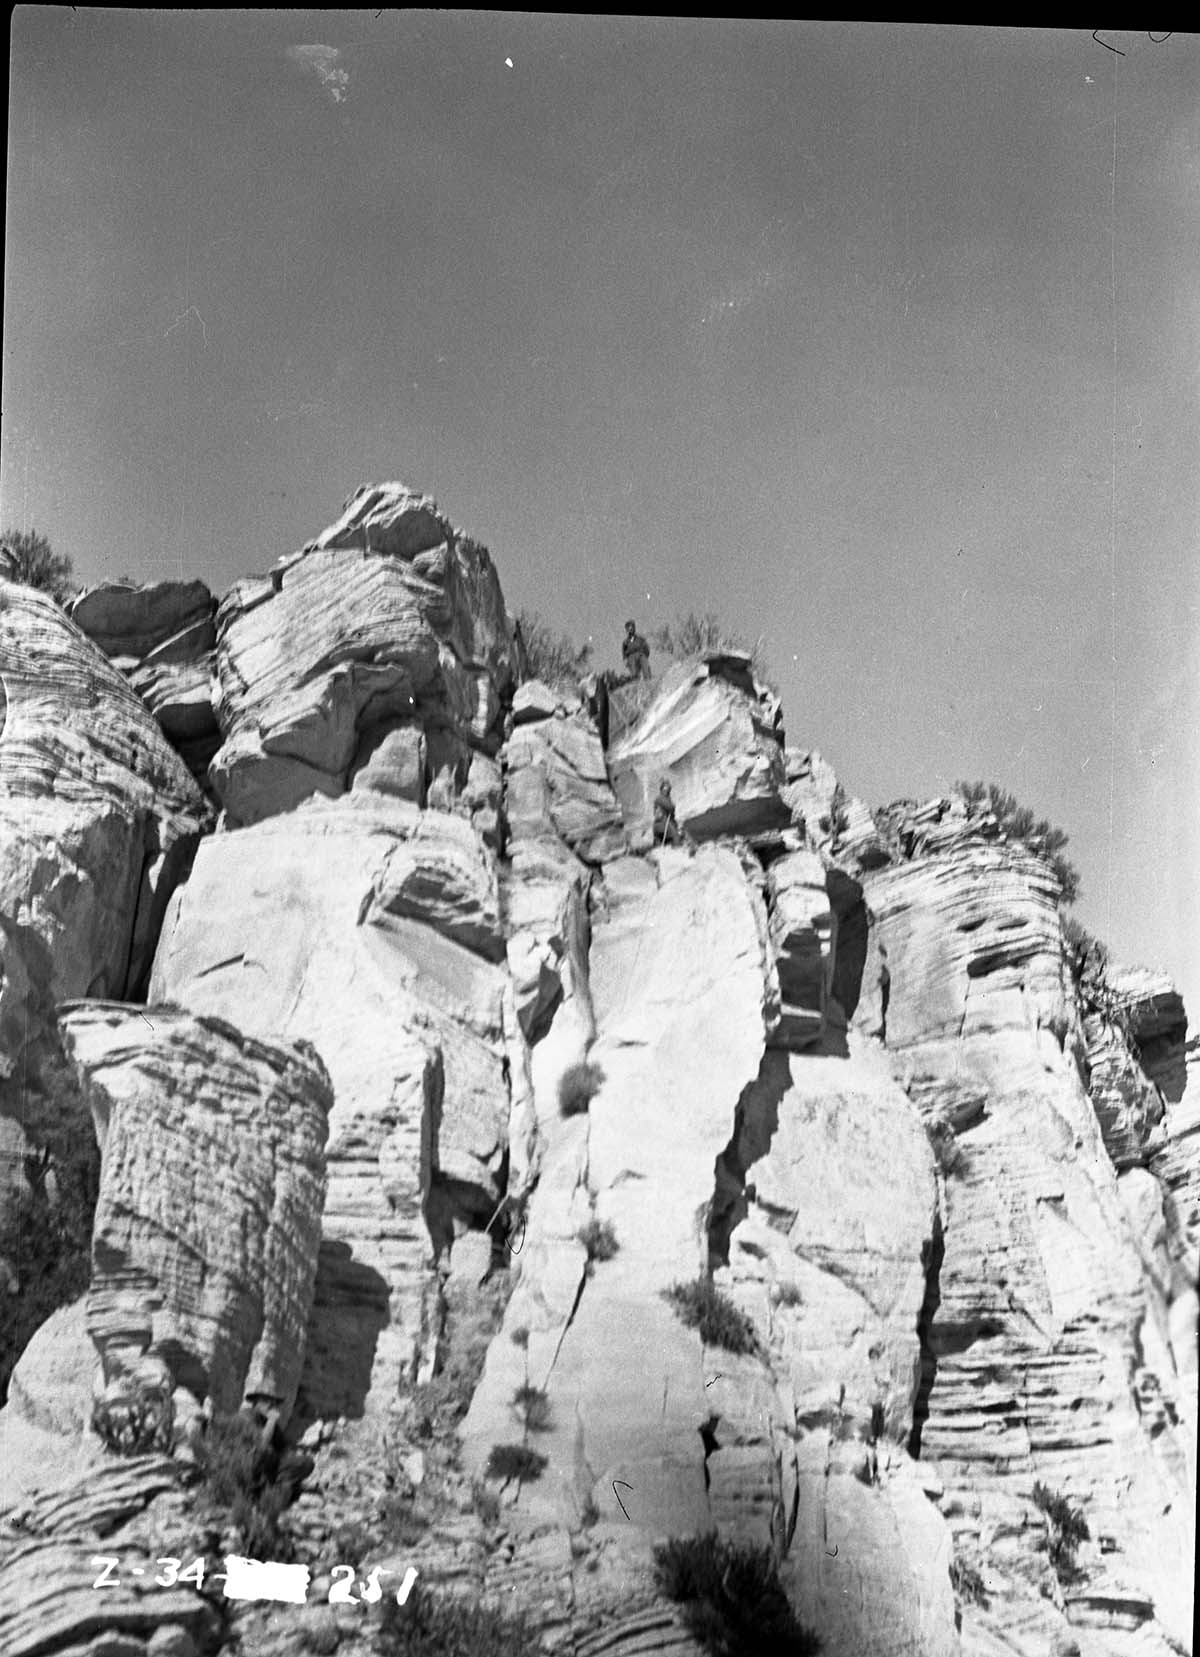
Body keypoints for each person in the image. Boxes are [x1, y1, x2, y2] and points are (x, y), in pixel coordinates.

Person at [652, 777, 684, 847]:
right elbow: (670, 807)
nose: (667, 791)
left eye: (668, 789)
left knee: (679, 831)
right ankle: (677, 848)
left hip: (663, 822)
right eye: (665, 789)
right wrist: (672, 806)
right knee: (675, 836)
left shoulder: (666, 798)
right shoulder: (660, 798)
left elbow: (671, 809)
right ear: (662, 789)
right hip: (662, 823)